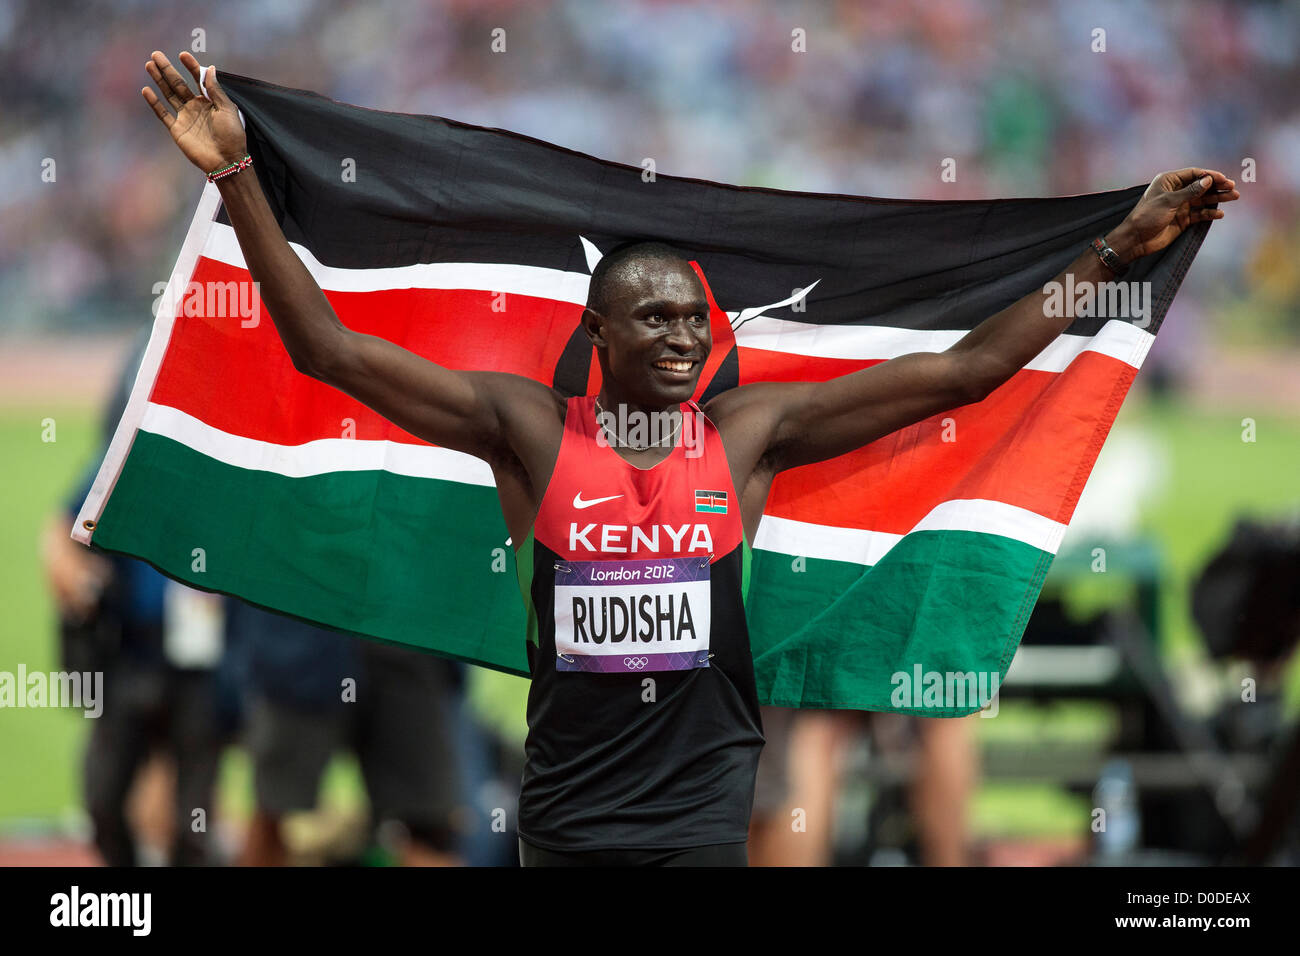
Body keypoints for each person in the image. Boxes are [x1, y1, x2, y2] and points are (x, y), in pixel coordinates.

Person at [141, 50, 1239, 867]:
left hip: (705, 808)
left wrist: (1111, 251)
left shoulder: (748, 435)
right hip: (570, 809)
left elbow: (960, 373)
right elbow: (327, 346)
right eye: (651, 319)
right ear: (599, 335)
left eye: (690, 320)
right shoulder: (525, 430)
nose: (678, 336)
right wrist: (238, 176)